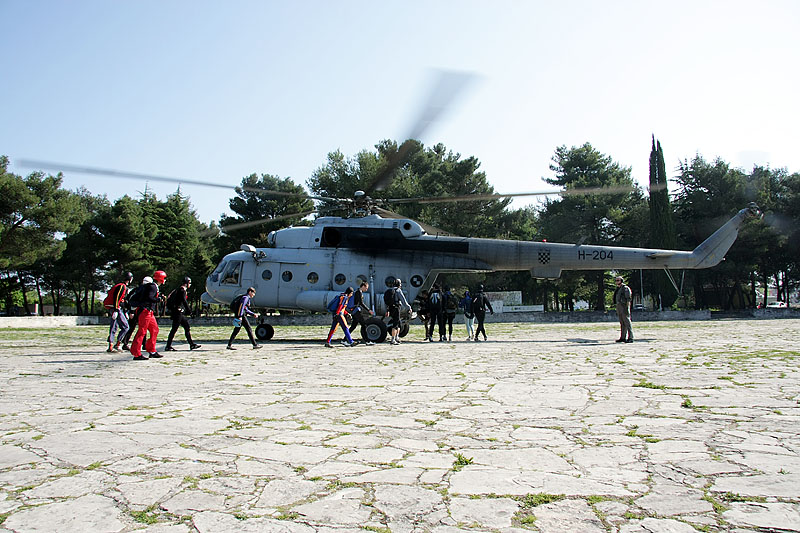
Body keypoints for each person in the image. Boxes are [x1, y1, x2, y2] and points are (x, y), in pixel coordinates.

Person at [130, 270, 167, 360]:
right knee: (142, 331)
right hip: (145, 311)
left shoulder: (152, 286)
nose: (165, 280)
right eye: (164, 278)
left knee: (154, 330)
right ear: (160, 278)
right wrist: (158, 299)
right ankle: (136, 353)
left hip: (149, 312)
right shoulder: (153, 287)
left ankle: (151, 350)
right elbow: (150, 297)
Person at [164, 276, 201, 351]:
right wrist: (190, 311)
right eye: (189, 283)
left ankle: (191, 344)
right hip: (178, 312)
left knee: (186, 327)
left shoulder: (178, 289)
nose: (190, 285)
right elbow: (184, 301)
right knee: (174, 329)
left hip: (178, 312)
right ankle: (168, 346)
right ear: (187, 283)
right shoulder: (182, 290)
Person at [104, 272, 133, 352]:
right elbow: (117, 298)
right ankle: (117, 343)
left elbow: (121, 301)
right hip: (115, 308)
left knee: (114, 326)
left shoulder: (120, 286)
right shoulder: (122, 286)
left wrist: (124, 311)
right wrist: (116, 310)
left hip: (115, 308)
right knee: (126, 327)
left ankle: (111, 345)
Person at [385, 278, 411, 345]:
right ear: (399, 284)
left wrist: (387, 310)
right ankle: (393, 339)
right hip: (396, 308)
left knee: (398, 322)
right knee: (395, 324)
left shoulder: (390, 290)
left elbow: (387, 302)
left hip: (391, 308)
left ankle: (397, 337)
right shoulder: (398, 290)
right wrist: (409, 308)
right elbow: (403, 300)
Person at [348, 281, 374, 345]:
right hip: (356, 311)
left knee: (353, 326)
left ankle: (345, 339)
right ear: (363, 286)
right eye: (366, 288)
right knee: (363, 324)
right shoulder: (358, 292)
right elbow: (361, 303)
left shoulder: (359, 292)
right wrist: (369, 310)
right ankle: (367, 341)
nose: (366, 289)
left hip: (355, 311)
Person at [613, 275, 634, 343]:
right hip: (619, 306)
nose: (616, 282)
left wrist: (626, 306)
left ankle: (630, 337)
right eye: (616, 280)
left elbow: (628, 298)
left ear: (621, 281)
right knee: (622, 323)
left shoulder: (625, 288)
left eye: (618, 280)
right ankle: (623, 337)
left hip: (624, 306)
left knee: (627, 322)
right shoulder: (618, 289)